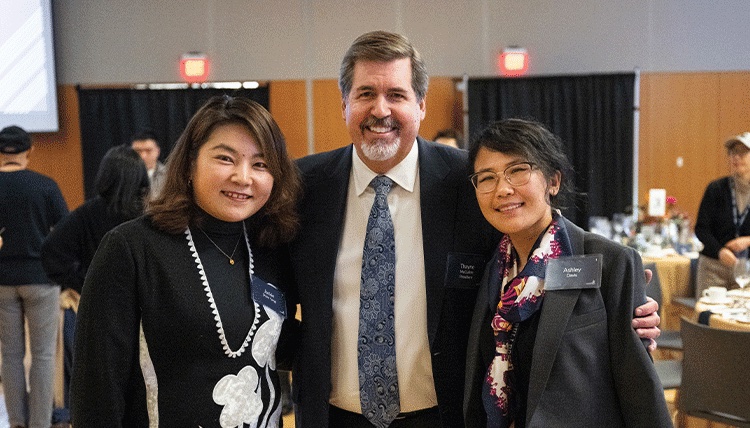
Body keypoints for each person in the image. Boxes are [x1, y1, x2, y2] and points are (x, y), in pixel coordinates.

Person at [288, 30, 661, 428]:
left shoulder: (471, 182)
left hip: (445, 417)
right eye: (365, 94)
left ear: (421, 105)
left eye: (396, 94)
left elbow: (534, 259)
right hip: (332, 416)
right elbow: (267, 290)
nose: (381, 110)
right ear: (344, 103)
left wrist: (616, 307)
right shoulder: (303, 186)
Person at [70, 95, 301, 427]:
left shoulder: (272, 247)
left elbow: (280, 345)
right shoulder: (131, 249)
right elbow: (96, 389)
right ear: (190, 163)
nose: (243, 177)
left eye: (261, 164)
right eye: (225, 158)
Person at [463, 118, 671, 427]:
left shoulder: (610, 262)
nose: (503, 189)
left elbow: (640, 392)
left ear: (553, 181)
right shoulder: (492, 269)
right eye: (487, 178)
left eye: (518, 171)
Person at [40, 145, 150, 425]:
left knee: (99, 381)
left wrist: (83, 282)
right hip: (144, 313)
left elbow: (51, 252)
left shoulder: (87, 213)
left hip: (96, 312)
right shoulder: (148, 218)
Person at [0, 125, 69, 428]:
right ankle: (40, 423)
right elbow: (66, 231)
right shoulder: (45, 186)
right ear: (29, 151)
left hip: (2, 281)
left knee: (10, 355)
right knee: (42, 355)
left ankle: (16, 421)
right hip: (41, 278)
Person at [694, 132, 750, 297]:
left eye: (742, 152)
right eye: (732, 152)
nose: (736, 157)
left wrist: (747, 240)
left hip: (746, 269)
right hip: (713, 267)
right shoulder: (716, 188)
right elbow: (701, 229)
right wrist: (720, 251)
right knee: (708, 311)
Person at [131, 128, 166, 199]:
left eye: (148, 150)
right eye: (138, 151)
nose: (143, 156)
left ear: (158, 151)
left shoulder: (169, 176)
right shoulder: (123, 176)